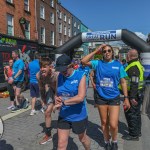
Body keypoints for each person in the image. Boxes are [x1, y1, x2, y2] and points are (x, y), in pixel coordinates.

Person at [81, 44, 130, 150]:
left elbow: (123, 82)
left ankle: (115, 141)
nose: (107, 52)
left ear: (112, 52)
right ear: (102, 53)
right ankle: (106, 141)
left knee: (113, 124)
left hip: (114, 97)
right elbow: (83, 61)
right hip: (101, 97)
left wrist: (126, 98)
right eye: (104, 51)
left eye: (109, 50)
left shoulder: (118, 65)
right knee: (104, 122)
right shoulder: (97, 63)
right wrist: (96, 51)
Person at [54, 54, 91, 150]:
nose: (63, 72)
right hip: (64, 115)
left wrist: (64, 103)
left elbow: (80, 97)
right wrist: (56, 98)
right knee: (61, 144)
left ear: (71, 65)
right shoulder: (59, 76)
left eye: (64, 70)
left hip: (78, 115)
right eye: (61, 70)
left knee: (82, 139)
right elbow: (57, 93)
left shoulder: (80, 76)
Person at [122, 49, 144, 141]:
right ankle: (137, 132)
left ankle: (133, 135)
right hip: (138, 93)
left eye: (126, 55)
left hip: (133, 94)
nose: (126, 57)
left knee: (131, 114)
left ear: (130, 56)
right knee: (136, 114)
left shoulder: (133, 66)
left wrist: (131, 97)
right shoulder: (138, 64)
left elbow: (134, 83)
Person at [36, 57, 58, 145]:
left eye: (44, 67)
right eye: (41, 67)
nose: (42, 69)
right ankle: (48, 135)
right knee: (47, 112)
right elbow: (41, 89)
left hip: (60, 90)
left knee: (64, 110)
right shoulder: (39, 75)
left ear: (50, 67)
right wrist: (43, 100)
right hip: (51, 90)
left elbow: (58, 89)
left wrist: (56, 100)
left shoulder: (56, 74)